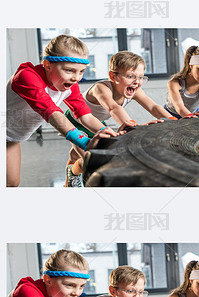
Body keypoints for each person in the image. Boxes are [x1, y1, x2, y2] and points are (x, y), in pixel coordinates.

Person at [6, 34, 120, 187]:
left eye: (81, 71)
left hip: (11, 138)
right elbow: (51, 112)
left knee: (11, 184)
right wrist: (84, 141)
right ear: (47, 65)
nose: (76, 78)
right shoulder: (27, 76)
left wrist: (108, 133)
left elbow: (84, 115)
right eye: (69, 70)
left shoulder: (69, 85)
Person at [64, 50, 181, 186]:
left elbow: (153, 107)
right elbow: (113, 108)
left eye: (141, 77)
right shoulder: (101, 88)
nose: (136, 82)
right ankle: (73, 172)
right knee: (91, 160)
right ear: (113, 76)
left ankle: (71, 168)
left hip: (95, 122)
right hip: (75, 122)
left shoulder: (135, 89)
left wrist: (174, 121)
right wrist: (133, 126)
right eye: (130, 76)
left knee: (75, 154)